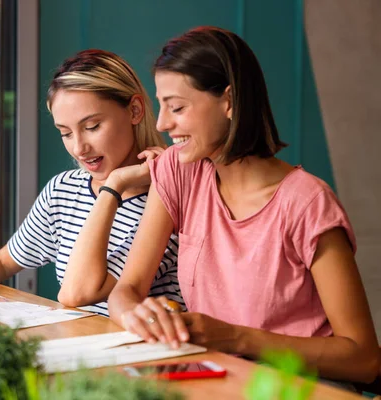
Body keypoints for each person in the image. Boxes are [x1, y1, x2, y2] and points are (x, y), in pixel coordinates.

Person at [108, 26, 380, 383]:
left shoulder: (307, 203)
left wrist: (235, 337)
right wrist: (136, 315)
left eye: (176, 107)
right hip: (216, 381)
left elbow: (364, 358)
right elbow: (126, 291)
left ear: (229, 101)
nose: (162, 123)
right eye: (161, 105)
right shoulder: (179, 171)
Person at [0, 49, 182, 316]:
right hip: (78, 345)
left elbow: (78, 293)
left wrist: (112, 187)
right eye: (65, 133)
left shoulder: (167, 199)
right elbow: (2, 261)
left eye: (92, 126)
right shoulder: (64, 189)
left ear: (135, 110)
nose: (79, 148)